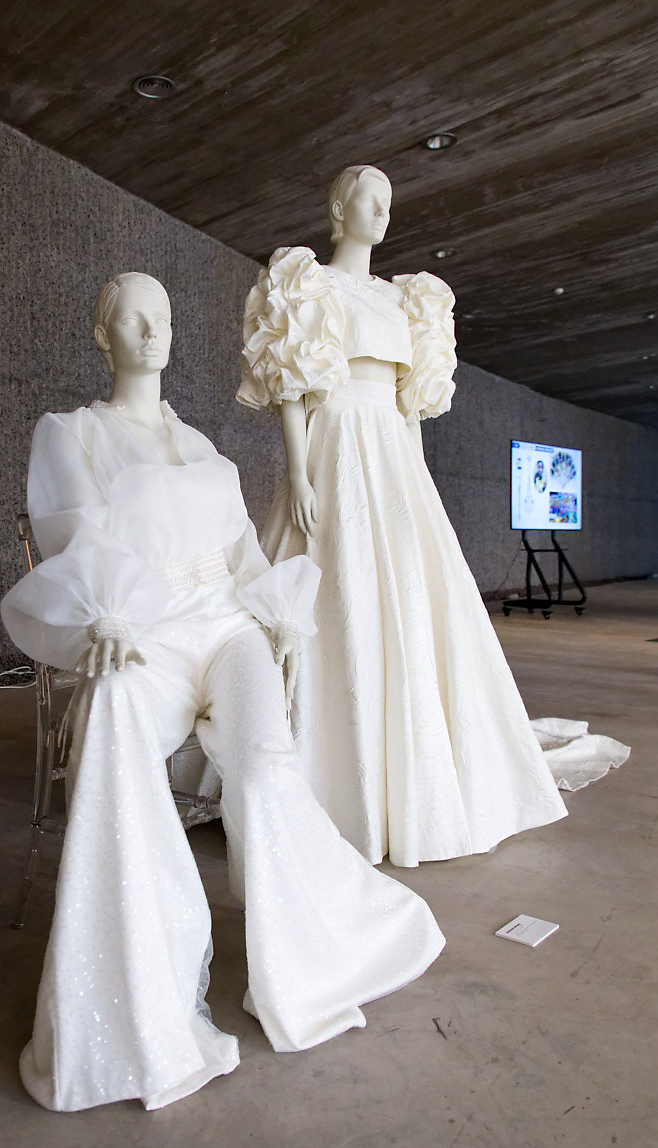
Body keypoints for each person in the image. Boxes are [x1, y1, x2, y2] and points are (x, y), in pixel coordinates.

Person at [1, 271, 445, 1112]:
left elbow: (243, 549)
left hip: (227, 627)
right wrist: (105, 614)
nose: (151, 332)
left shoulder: (203, 446)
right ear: (102, 335)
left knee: (265, 764)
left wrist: (279, 619)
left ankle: (311, 965)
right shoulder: (72, 434)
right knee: (110, 726)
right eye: (132, 318)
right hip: (146, 631)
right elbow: (75, 537)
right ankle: (139, 1011)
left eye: (163, 317)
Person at [238, 165, 627, 868]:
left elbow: (408, 406)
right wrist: (297, 472)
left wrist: (417, 480)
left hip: (392, 453)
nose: (382, 213)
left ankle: (412, 770)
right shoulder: (307, 283)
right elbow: (293, 388)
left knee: (411, 599)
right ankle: (323, 769)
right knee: (332, 586)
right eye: (369, 200)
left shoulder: (409, 300)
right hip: (334, 444)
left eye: (388, 204)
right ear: (338, 207)